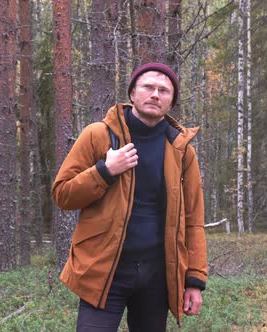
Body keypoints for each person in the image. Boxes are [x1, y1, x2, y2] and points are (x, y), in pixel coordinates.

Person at [52, 62, 208, 331]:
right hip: (103, 272)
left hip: (157, 277)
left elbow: (193, 220)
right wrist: (104, 171)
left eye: (164, 90)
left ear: (171, 102)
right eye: (148, 87)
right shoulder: (98, 136)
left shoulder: (181, 151)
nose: (155, 94)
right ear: (133, 93)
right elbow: (62, 194)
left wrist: (194, 280)